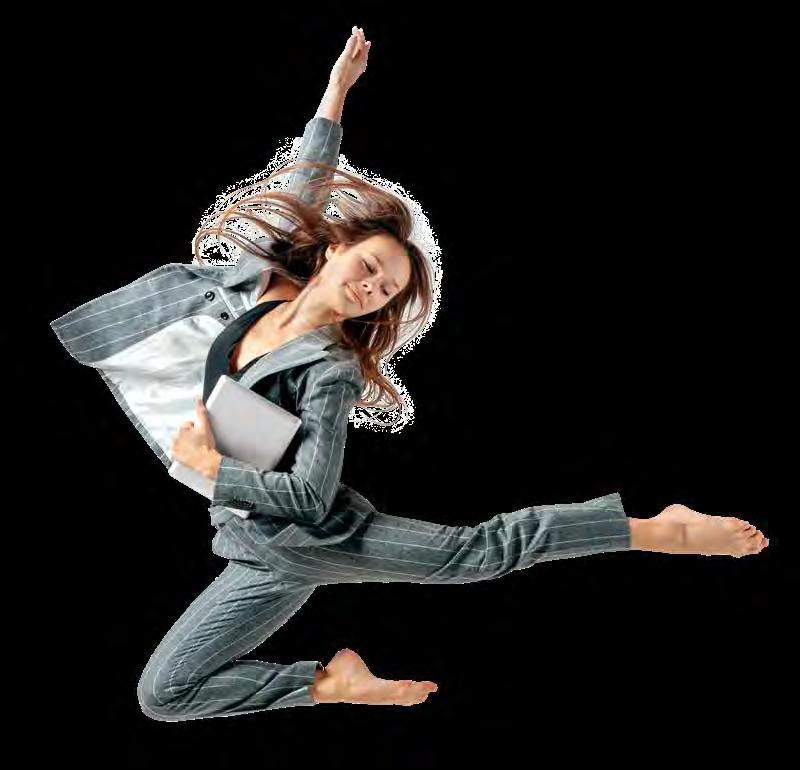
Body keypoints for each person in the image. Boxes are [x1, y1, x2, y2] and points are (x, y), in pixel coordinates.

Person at [50, 26, 769, 721]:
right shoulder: (255, 288)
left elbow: (309, 496)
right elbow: (305, 185)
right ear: (331, 251)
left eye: (385, 290)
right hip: (250, 548)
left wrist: (216, 468)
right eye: (368, 266)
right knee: (164, 695)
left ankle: (651, 529)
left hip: (309, 536)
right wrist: (335, 95)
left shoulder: (328, 369)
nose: (370, 287)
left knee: (478, 551)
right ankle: (329, 684)